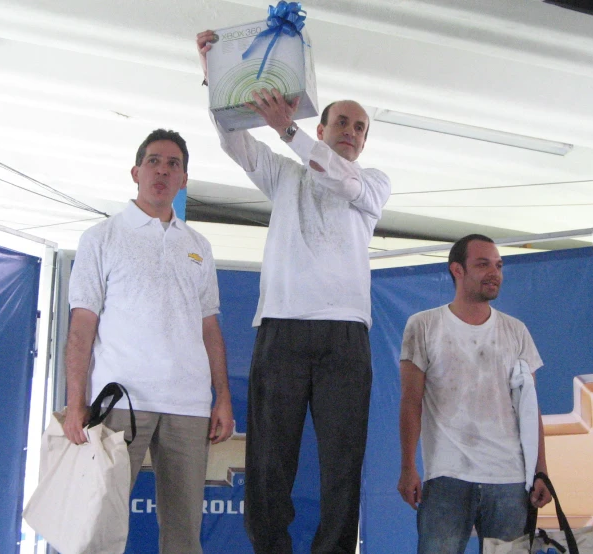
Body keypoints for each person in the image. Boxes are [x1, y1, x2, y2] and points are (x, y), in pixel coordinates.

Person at [197, 30, 391, 554]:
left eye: (360, 127)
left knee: (341, 461)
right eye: (342, 122)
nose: (351, 131)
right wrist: (216, 70)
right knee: (267, 460)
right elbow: (232, 138)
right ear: (321, 126)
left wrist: (290, 133)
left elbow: (342, 184)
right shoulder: (284, 175)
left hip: (345, 335)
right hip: (281, 327)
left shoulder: (372, 182)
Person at [63, 129, 235, 554]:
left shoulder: (198, 246)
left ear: (185, 179)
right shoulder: (101, 237)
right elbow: (81, 327)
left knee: (184, 535)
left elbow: (209, 328)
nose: (163, 170)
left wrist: (223, 397)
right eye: (155, 161)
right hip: (119, 403)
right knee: (98, 530)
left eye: (173, 164)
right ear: (136, 171)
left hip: (189, 405)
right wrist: (75, 403)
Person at [397, 234, 552, 554]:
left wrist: (541, 470)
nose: (494, 272)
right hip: (445, 477)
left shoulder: (516, 331)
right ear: (457, 270)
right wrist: (408, 467)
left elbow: (529, 406)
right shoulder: (423, 325)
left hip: (510, 479)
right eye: (483, 264)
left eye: (498, 265)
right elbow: (411, 401)